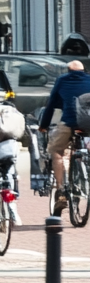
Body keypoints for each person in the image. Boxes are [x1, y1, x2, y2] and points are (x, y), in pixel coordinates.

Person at [40, 59, 90, 216]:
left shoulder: (62, 80)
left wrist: (44, 125)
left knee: (56, 150)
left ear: (68, 71)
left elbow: (51, 104)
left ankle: (61, 190)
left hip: (69, 122)